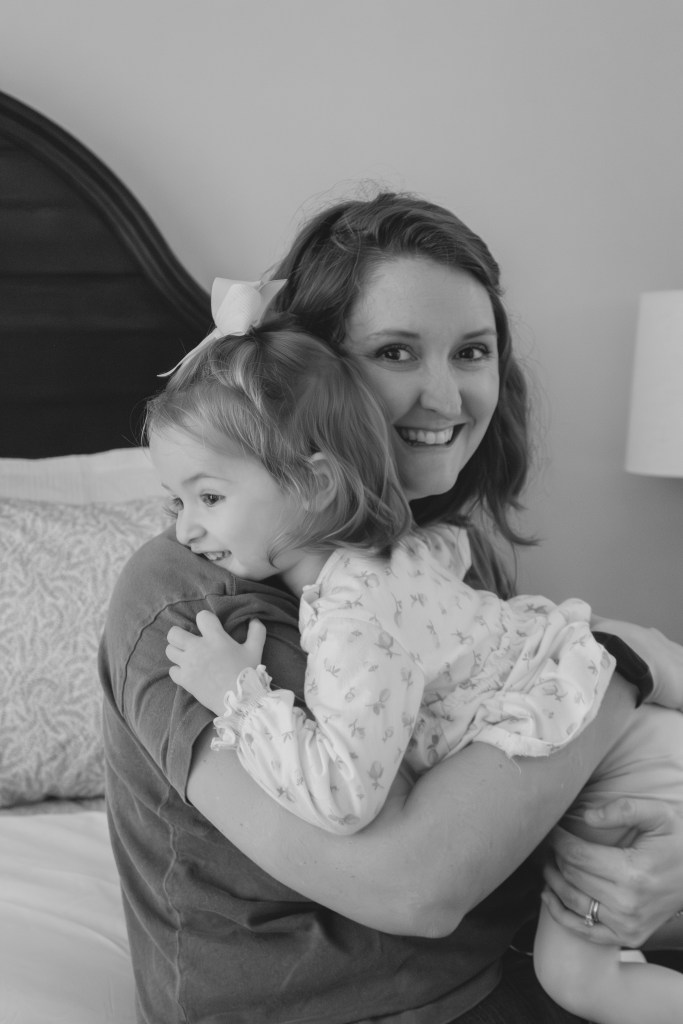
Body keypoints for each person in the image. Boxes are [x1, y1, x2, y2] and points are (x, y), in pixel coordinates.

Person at [100, 191, 683, 1024]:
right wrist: (615, 662)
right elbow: (415, 887)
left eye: (471, 352)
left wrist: (658, 862)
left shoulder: (427, 555)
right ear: (312, 373)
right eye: (396, 352)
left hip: (501, 965)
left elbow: (507, 805)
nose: (445, 397)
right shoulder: (191, 598)